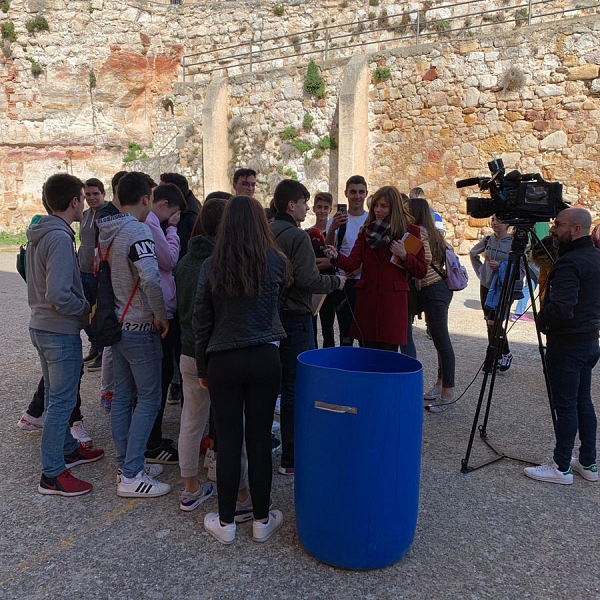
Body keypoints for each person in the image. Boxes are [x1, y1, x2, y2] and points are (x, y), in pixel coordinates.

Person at [194, 195, 288, 544]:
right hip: (265, 356)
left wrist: (203, 365)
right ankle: (262, 519)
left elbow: (201, 320)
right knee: (261, 439)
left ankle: (226, 522)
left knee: (228, 441)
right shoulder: (276, 262)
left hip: (224, 359)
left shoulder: (211, 265)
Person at [27, 173, 104, 496]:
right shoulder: (59, 238)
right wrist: (83, 308)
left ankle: (68, 450)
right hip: (58, 330)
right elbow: (59, 293)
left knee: (59, 396)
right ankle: (53, 473)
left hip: (42, 326)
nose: (85, 204)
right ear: (74, 202)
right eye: (82, 199)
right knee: (60, 402)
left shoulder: (41, 232)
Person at [97, 171, 171, 498]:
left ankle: (128, 461)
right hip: (141, 325)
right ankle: (131, 475)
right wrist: (160, 315)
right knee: (151, 396)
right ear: (145, 199)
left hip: (118, 324)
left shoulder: (107, 230)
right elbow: (151, 279)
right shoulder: (138, 231)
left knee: (124, 397)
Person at [270, 180, 344, 476]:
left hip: (270, 316)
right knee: (293, 388)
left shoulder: (268, 231)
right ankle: (291, 457)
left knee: (272, 388)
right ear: (292, 205)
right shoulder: (296, 236)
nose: (306, 208)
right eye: (304, 202)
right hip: (296, 316)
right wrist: (335, 281)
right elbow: (308, 280)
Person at [524, 208, 600, 484]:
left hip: (567, 344)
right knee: (583, 402)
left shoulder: (570, 263)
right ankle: (588, 463)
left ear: (576, 229)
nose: (553, 229)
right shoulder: (594, 257)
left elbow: (562, 308)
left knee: (566, 406)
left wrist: (542, 322)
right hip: (589, 340)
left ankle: (561, 467)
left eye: (558, 224)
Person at [174, 193, 229, 512]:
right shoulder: (220, 264)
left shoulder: (184, 262)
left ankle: (190, 487)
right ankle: (226, 478)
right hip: (216, 352)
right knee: (227, 420)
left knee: (191, 420)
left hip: (188, 350)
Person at [325, 186, 427, 351]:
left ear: (394, 208)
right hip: (368, 303)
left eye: (384, 206)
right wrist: (336, 256)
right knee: (367, 356)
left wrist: (404, 255)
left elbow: (421, 270)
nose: (378, 210)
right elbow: (353, 263)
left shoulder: (409, 231)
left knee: (388, 358)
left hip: (392, 304)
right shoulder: (365, 231)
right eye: (376, 206)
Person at [144, 182, 187, 465]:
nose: (173, 218)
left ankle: (150, 440)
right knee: (157, 381)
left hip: (154, 311)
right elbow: (169, 260)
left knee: (153, 381)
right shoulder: (153, 224)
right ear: (163, 205)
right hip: (160, 314)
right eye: (173, 212)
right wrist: (172, 229)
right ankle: (152, 443)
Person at [408, 197, 456, 411]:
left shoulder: (418, 231)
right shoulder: (433, 231)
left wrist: (417, 277)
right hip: (440, 289)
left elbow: (424, 260)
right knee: (438, 339)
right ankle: (440, 383)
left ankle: (448, 392)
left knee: (442, 340)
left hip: (433, 289)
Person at [325, 175, 369, 346]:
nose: (357, 196)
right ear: (346, 194)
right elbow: (328, 249)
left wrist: (359, 267)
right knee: (346, 333)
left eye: (360, 192)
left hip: (365, 281)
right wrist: (332, 229)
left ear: (366, 193)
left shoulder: (371, 220)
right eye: (353, 192)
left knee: (366, 333)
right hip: (344, 282)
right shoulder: (336, 221)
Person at [469, 215, 514, 374]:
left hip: (502, 287)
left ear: (507, 223)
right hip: (486, 285)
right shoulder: (488, 239)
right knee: (489, 321)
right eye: (493, 219)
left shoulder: (513, 243)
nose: (494, 222)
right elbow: (473, 253)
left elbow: (520, 267)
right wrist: (481, 272)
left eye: (499, 220)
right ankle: (494, 356)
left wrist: (501, 265)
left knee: (495, 321)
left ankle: (505, 353)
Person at [80, 178, 107, 372]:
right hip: (84, 270)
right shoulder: (84, 215)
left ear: (103, 194)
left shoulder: (106, 214)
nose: (91, 198)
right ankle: (95, 345)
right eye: (88, 194)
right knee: (85, 313)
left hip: (99, 272)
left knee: (99, 314)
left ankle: (103, 352)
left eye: (95, 194)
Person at [310, 191, 336, 348]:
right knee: (311, 324)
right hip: (313, 282)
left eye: (325, 208)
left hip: (328, 282)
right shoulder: (307, 233)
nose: (322, 211)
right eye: (319, 207)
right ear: (313, 208)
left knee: (328, 325)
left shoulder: (335, 232)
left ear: (330, 209)